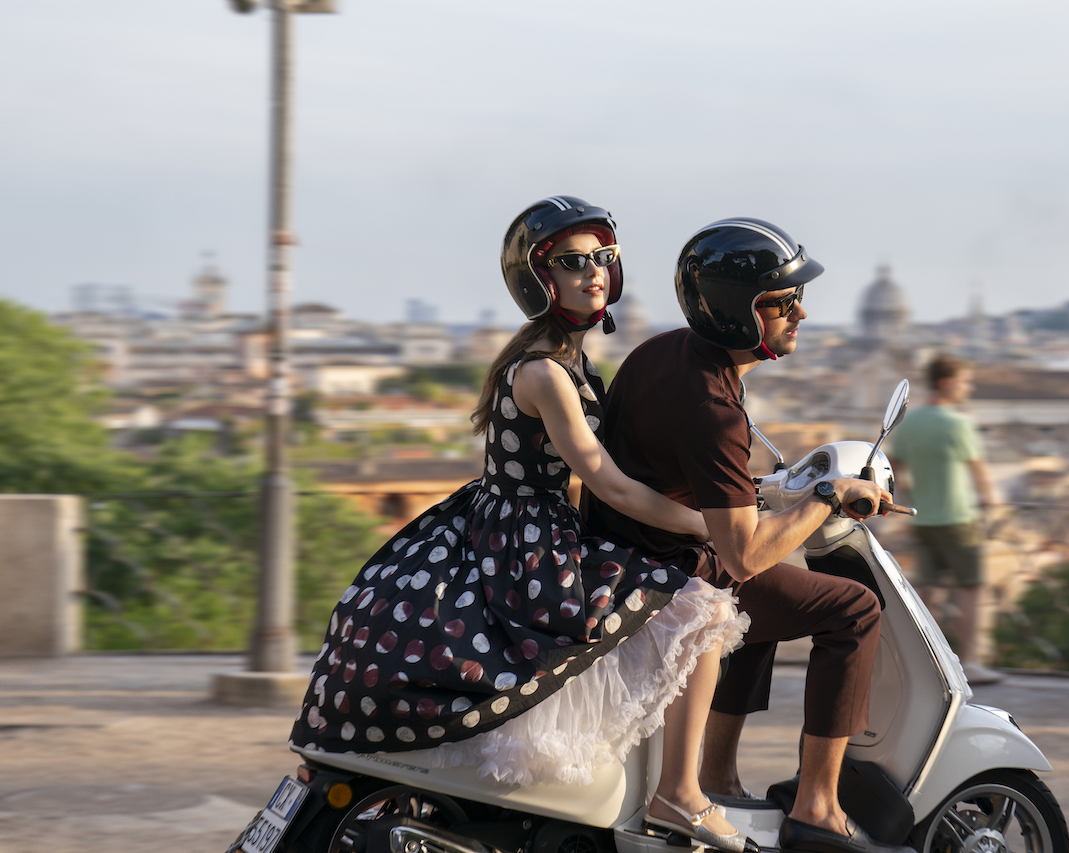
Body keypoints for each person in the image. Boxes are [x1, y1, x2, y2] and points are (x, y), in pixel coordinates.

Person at [289, 197, 752, 852]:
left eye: (603, 259)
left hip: (514, 529)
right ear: (540, 279)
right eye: (572, 262)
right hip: (531, 544)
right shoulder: (545, 372)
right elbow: (610, 482)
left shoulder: (559, 360)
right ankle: (680, 793)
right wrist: (710, 525)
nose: (593, 272)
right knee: (699, 607)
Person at [585, 218, 912, 853]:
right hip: (663, 570)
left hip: (623, 551)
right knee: (851, 609)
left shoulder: (663, 352)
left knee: (773, 596)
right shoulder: (712, 402)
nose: (802, 314)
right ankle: (818, 806)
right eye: (783, 303)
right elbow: (741, 551)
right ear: (742, 313)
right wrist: (827, 495)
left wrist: (765, 492)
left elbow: (680, 475)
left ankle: (718, 772)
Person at [888, 353, 1003, 685]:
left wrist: (908, 497)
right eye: (966, 382)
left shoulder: (908, 424)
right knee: (971, 588)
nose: (970, 388)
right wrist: (993, 502)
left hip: (922, 519)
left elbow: (894, 470)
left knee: (927, 591)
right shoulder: (959, 425)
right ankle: (969, 662)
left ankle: (926, 662)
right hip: (959, 518)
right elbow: (980, 473)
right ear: (947, 383)